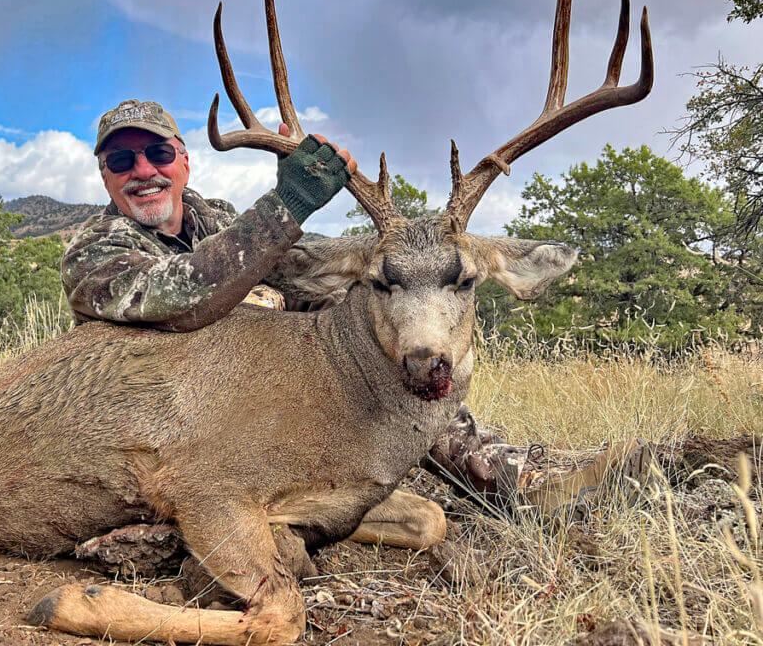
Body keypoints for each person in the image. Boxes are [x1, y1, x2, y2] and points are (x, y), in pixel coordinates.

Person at [62, 99, 645, 512]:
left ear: (183, 161)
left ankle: (502, 475)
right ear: (106, 176)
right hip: (163, 418)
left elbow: (303, 265)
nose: (143, 171)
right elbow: (180, 298)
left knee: (371, 330)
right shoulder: (96, 249)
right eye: (121, 161)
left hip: (249, 404)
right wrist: (287, 203)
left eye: (157, 152)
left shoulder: (215, 219)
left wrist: (387, 256)